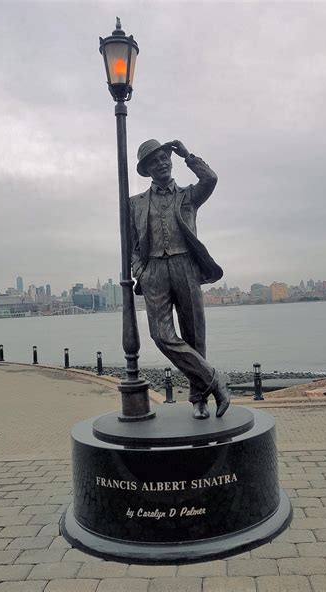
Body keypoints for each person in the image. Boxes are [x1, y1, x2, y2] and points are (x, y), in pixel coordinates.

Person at [130, 139, 230, 419]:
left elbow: (210, 178)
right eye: (154, 161)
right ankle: (214, 380)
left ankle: (199, 399)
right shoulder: (135, 204)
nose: (161, 163)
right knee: (161, 335)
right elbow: (132, 248)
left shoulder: (189, 196)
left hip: (186, 265)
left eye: (164, 158)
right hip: (154, 272)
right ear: (147, 170)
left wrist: (188, 155)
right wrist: (141, 271)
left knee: (194, 334)